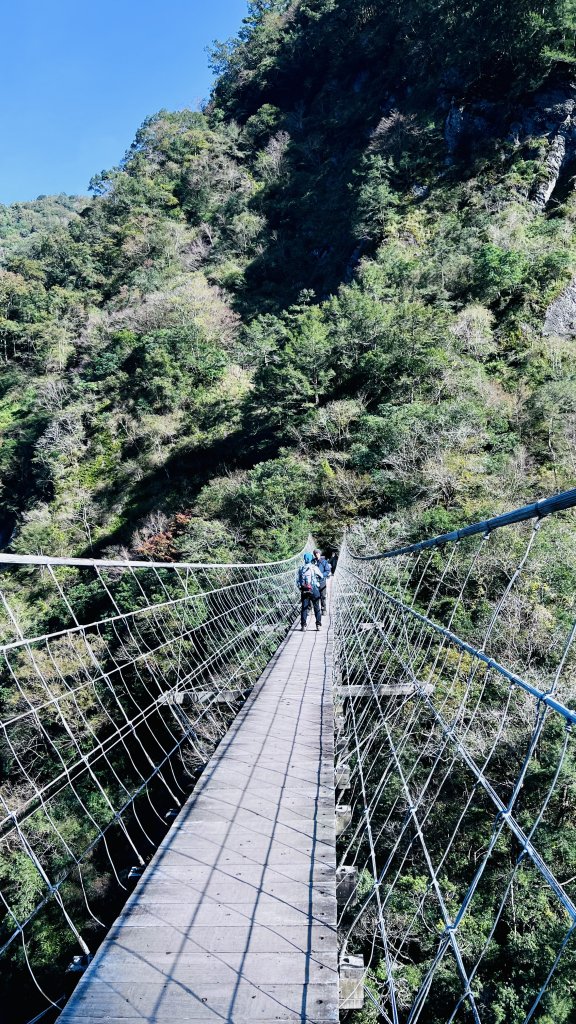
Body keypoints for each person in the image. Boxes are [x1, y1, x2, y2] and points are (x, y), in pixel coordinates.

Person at [297, 552, 323, 631]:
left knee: (304, 608)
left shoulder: (301, 568)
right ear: (311, 558)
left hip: (304, 590)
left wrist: (301, 588)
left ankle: (303, 625)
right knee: (316, 607)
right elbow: (321, 576)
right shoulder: (314, 567)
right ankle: (318, 625)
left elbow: (297, 581)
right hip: (313, 589)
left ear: (304, 559)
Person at [313, 549, 332, 614]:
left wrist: (321, 575)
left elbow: (327, 571)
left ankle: (324, 609)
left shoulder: (324, 562)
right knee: (315, 596)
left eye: (317, 553)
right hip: (314, 582)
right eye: (315, 553)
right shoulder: (312, 561)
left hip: (322, 581)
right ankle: (317, 610)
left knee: (323, 596)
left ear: (320, 554)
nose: (316, 554)